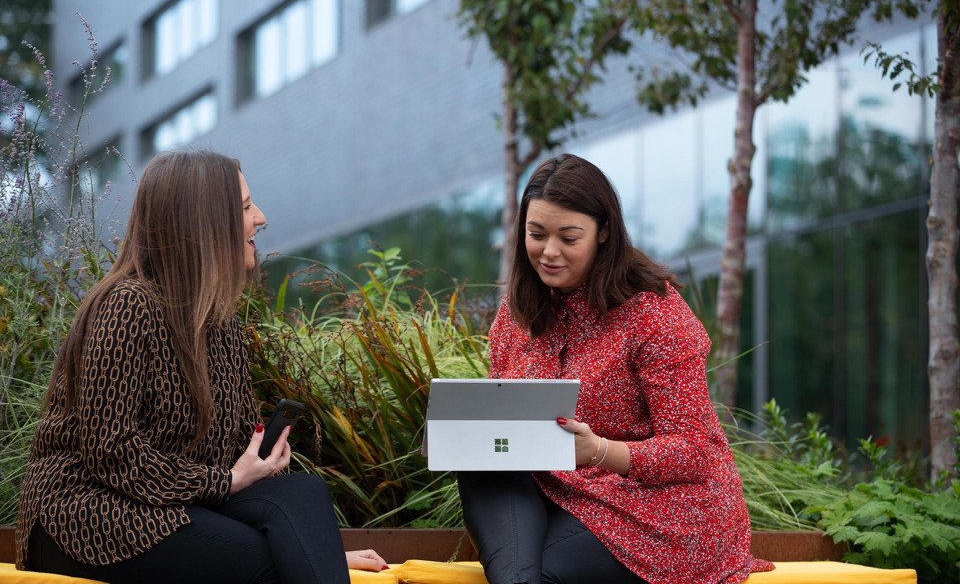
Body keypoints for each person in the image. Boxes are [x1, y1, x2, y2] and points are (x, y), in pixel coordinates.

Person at [16, 151, 387, 583]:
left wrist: (262, 473)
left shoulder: (220, 321)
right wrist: (226, 482)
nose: (261, 218)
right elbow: (111, 453)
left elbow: (233, 453)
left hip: (174, 500)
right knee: (261, 563)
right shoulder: (126, 306)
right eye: (246, 208)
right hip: (89, 515)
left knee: (303, 493)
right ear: (204, 223)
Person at [458, 154, 774, 584]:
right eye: (536, 234)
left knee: (541, 573)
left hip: (658, 508)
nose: (548, 252)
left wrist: (601, 451)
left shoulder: (653, 313)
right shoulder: (514, 320)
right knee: (484, 465)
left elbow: (696, 451)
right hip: (560, 492)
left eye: (569, 238)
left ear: (603, 232)